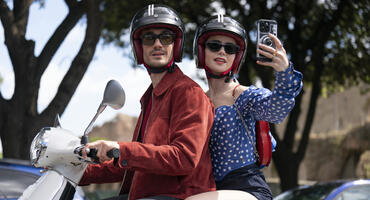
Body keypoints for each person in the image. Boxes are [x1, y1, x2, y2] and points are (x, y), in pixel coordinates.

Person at [79, 4, 216, 200]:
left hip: (180, 195)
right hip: (148, 194)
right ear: (139, 47)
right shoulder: (151, 97)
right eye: (149, 38)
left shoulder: (189, 93)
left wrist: (122, 148)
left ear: (175, 45)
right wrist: (79, 173)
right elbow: (130, 166)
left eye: (166, 38)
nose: (158, 44)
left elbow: (184, 158)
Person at [191, 15, 303, 200]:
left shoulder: (246, 97)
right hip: (206, 189)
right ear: (202, 51)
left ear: (237, 56)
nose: (222, 52)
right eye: (214, 46)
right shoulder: (194, 101)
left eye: (230, 48)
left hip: (247, 189)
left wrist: (284, 72)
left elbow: (277, 110)